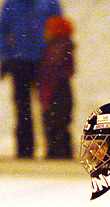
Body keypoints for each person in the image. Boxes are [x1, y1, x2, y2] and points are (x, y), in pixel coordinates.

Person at [0, 0, 62, 159]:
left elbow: (58, 31)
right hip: (21, 62)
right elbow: (3, 32)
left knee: (49, 106)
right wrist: (4, 57)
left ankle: (52, 148)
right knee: (24, 108)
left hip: (43, 62)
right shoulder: (13, 4)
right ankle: (26, 149)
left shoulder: (47, 3)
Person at [38, 15, 75, 160]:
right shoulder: (64, 45)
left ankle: (56, 152)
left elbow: (50, 69)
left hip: (55, 90)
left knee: (54, 123)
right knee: (60, 123)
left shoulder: (55, 47)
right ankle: (61, 151)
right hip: (60, 90)